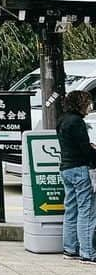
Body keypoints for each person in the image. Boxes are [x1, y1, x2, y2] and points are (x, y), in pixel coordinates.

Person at [57, 89, 96, 260]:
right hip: (80, 169)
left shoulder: (62, 120)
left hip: (66, 168)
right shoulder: (77, 122)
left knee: (71, 209)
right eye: (88, 103)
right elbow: (85, 150)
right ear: (80, 104)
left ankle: (70, 249)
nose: (90, 106)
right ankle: (87, 253)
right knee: (86, 210)